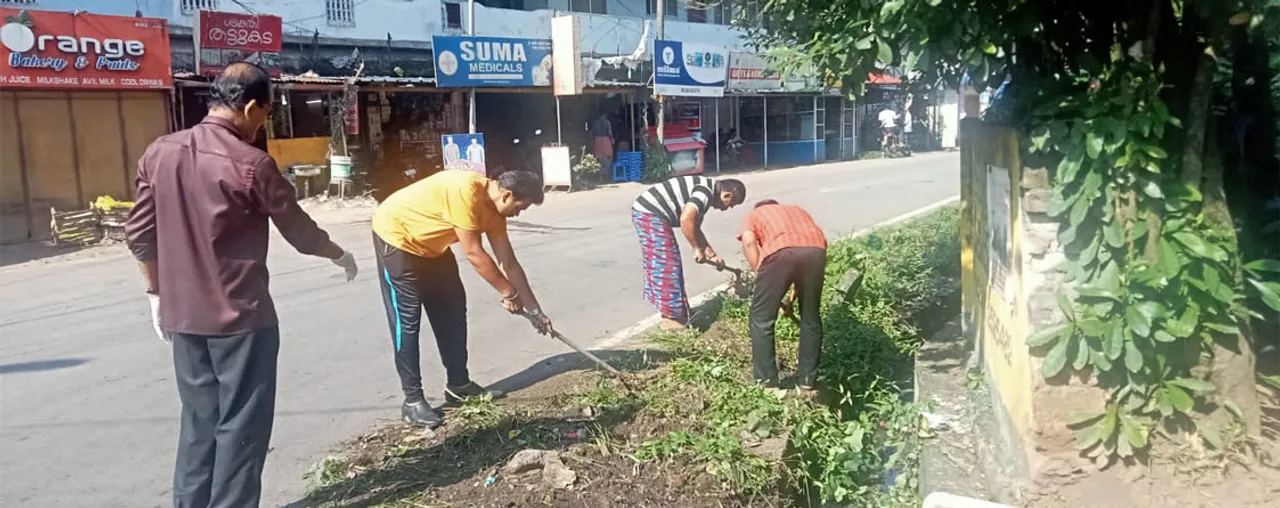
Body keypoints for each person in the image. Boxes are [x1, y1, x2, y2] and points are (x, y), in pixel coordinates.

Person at [124, 62, 359, 508]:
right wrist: (338, 253)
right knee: (242, 427)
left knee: (199, 421)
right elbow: (300, 233)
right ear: (251, 106)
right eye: (265, 115)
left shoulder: (159, 152)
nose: (262, 124)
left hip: (183, 317)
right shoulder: (252, 163)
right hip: (241, 318)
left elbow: (138, 235)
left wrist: (155, 294)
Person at [372, 169, 553, 428]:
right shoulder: (465, 190)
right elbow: (474, 252)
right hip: (398, 239)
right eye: (519, 207)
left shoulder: (495, 213)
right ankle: (412, 401)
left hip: (433, 248)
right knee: (407, 322)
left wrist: (536, 312)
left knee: (453, 308)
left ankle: (459, 385)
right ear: (507, 194)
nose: (518, 214)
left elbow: (509, 263)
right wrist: (508, 293)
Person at [632, 174, 747, 330]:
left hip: (654, 214)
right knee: (666, 264)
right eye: (731, 204)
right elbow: (686, 220)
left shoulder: (707, 192)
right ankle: (671, 318)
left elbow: (695, 229)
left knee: (672, 264)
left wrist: (712, 255)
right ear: (727, 195)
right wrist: (696, 249)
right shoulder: (705, 192)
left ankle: (681, 311)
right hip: (650, 213)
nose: (728, 209)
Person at [738, 199, 827, 391]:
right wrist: (792, 296)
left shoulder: (755, 214)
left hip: (780, 253)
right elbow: (813, 246)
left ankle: (767, 382)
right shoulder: (798, 209)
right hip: (816, 252)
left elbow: (749, 241)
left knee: (761, 318)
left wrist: (761, 276)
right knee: (810, 318)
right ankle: (807, 382)